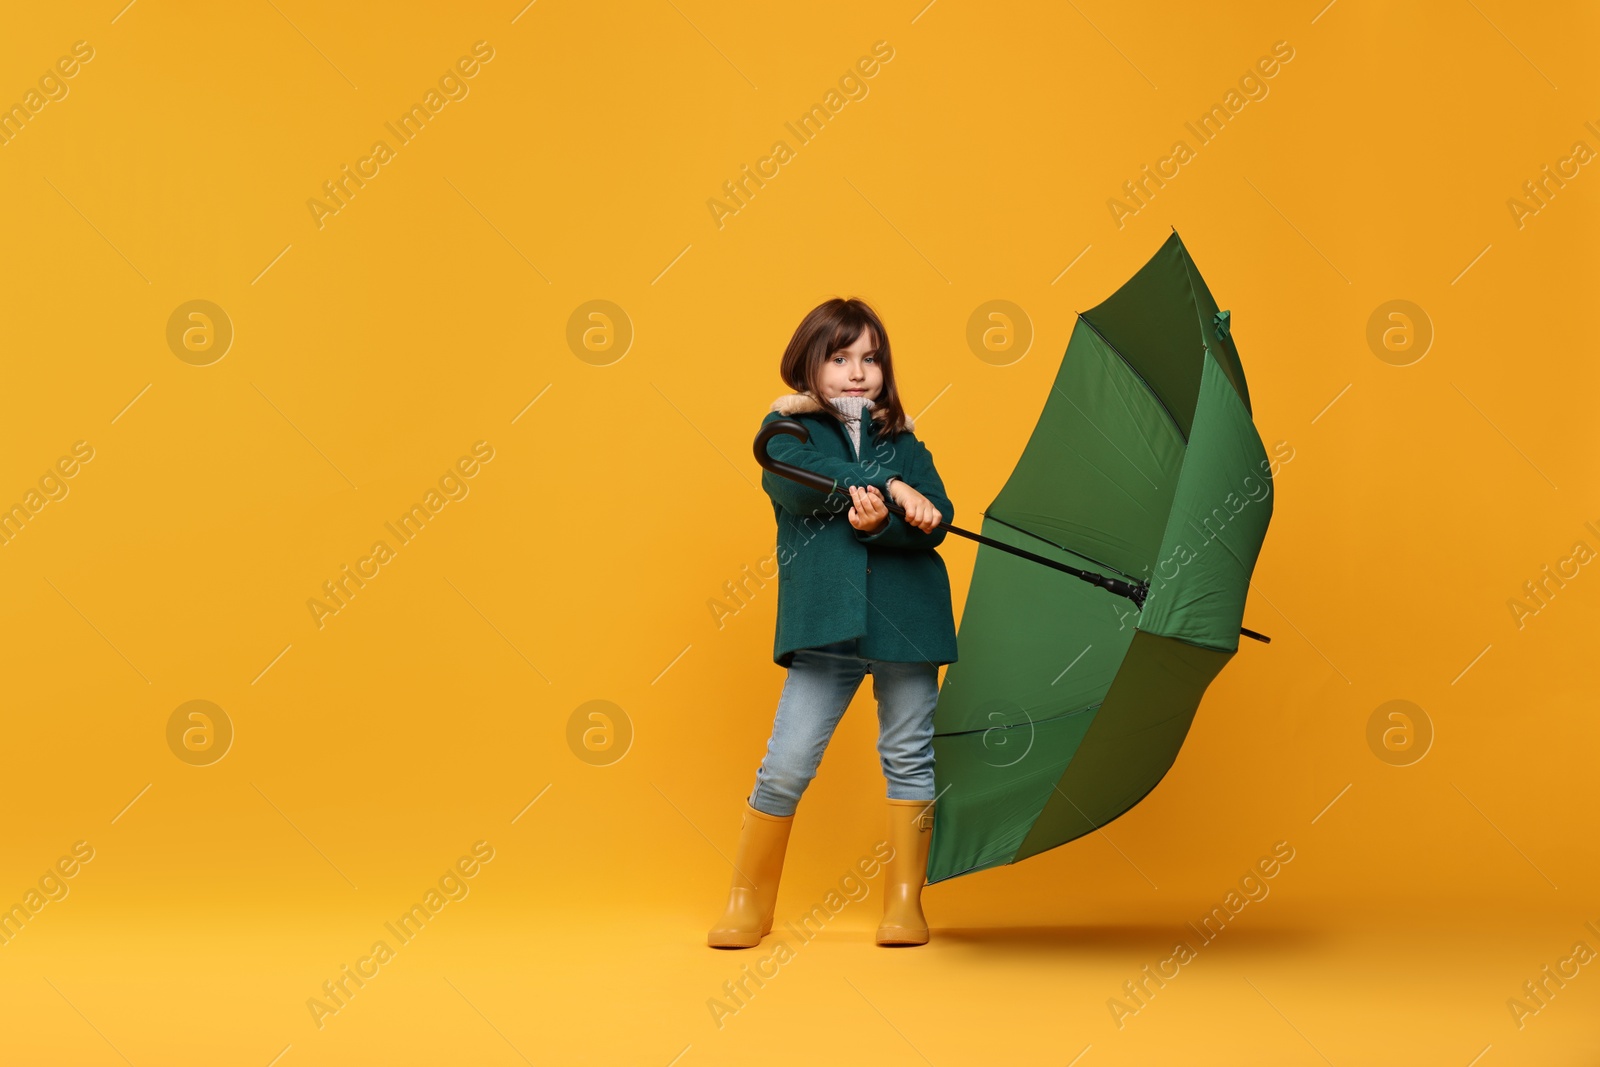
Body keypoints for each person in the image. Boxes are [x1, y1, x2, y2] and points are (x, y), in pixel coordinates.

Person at [708, 297, 958, 950]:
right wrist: (883, 486)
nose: (857, 372)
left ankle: (905, 902)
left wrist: (894, 516)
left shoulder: (905, 440)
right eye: (839, 357)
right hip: (828, 626)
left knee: (909, 758)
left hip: (908, 622)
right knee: (787, 761)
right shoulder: (786, 433)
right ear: (807, 367)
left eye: (870, 358)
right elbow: (795, 481)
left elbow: (940, 517)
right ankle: (748, 900)